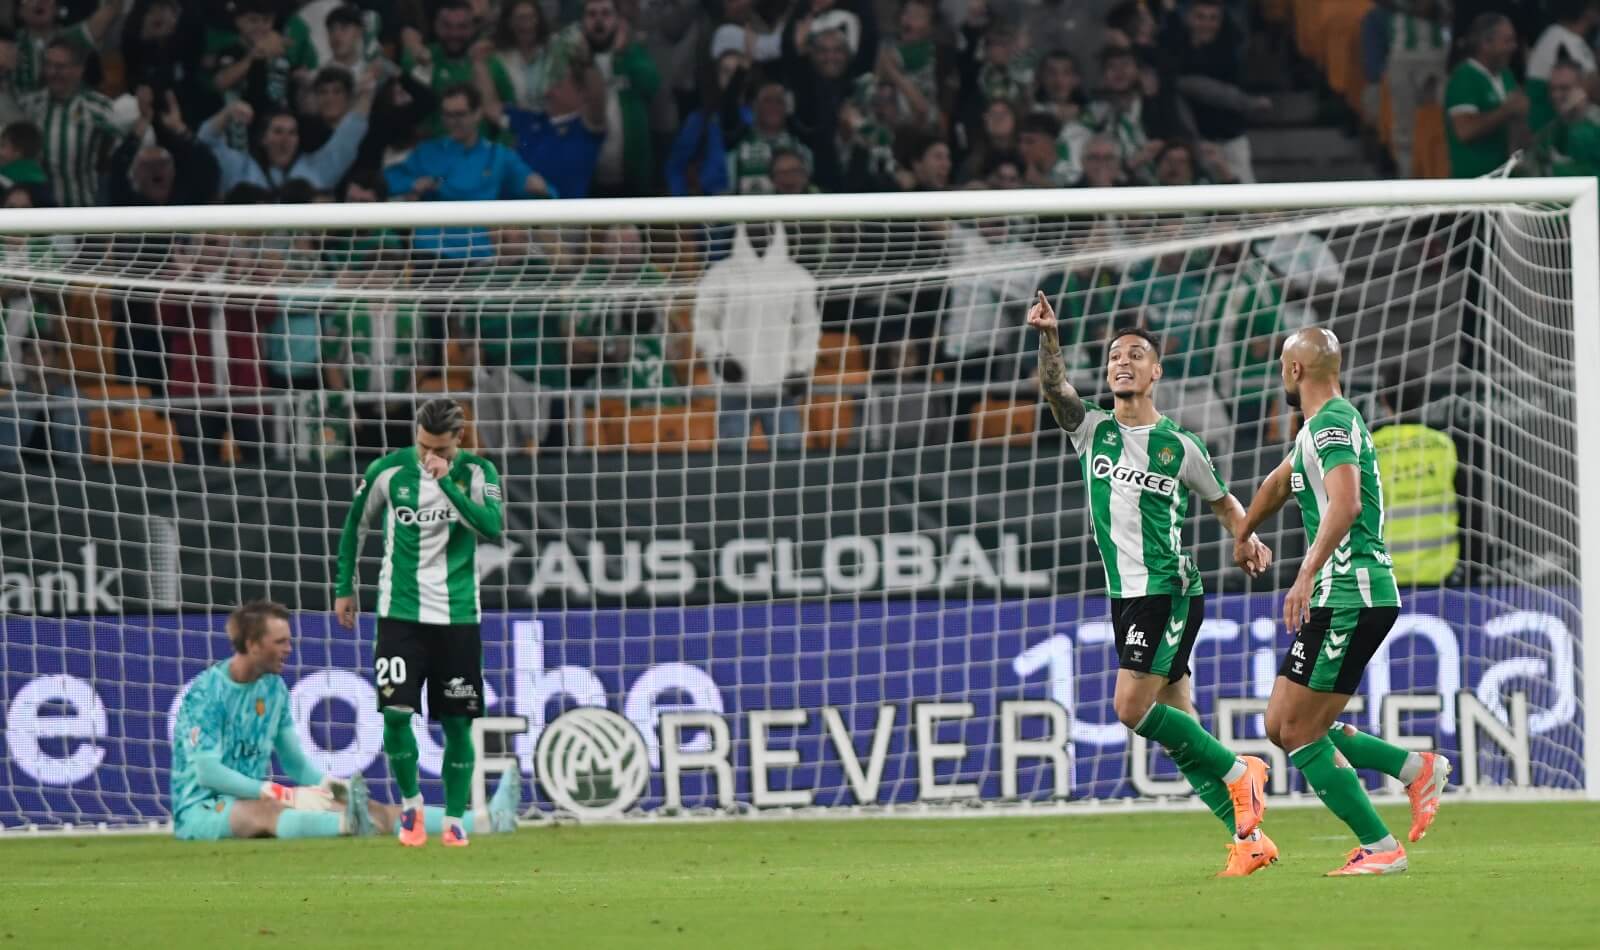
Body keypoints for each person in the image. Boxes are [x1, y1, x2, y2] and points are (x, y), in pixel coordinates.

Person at [1027, 294, 1279, 878]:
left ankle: (1241, 772)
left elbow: (1223, 502)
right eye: (1115, 355)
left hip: (1167, 588)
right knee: (1179, 730)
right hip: (1127, 595)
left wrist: (1245, 538)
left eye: (1136, 354)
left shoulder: (1180, 446)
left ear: (1155, 371)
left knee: (1129, 708)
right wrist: (1049, 338)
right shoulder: (1091, 429)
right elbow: (1055, 389)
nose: (1123, 362)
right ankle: (1249, 840)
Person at [1232, 327, 1451, 876]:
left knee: (1300, 731)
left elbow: (1346, 502)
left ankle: (1381, 847)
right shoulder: (1318, 428)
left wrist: (1305, 571)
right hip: (1343, 594)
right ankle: (1413, 768)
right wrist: (1243, 531)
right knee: (1281, 724)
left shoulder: (1331, 423)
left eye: (1282, 367)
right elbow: (1278, 483)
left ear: (1294, 370)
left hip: (1351, 590)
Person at [170, 600, 521, 842]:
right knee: (266, 813)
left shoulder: (273, 689)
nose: (289, 648)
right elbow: (207, 772)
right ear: (252, 644)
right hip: (201, 807)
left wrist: (329, 785)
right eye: (280, 642)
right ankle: (347, 825)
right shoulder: (207, 694)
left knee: (372, 808)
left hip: (254, 796)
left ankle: (485, 820)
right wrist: (279, 792)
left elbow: (294, 763)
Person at [333, 398, 505, 847]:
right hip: (400, 613)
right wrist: (344, 586)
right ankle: (411, 807)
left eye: (440, 449)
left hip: (457, 616)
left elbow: (492, 526)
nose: (429, 456)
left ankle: (454, 819)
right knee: (394, 715)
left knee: (458, 725)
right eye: (424, 445)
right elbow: (354, 526)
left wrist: (447, 483)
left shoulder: (478, 473)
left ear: (459, 440)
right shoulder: (388, 471)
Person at [18, 37, 119, 208]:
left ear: (78, 70)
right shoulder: (29, 106)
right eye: (48, 65)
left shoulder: (98, 107)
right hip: (40, 212)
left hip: (83, 208)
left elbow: (117, 151)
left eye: (60, 67)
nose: (52, 72)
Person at [1443, 13, 1527, 179]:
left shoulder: (1506, 75)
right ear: (1485, 43)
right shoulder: (1464, 77)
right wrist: (1506, 111)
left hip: (1506, 179)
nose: (1514, 47)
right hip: (1474, 182)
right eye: (1507, 41)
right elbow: (1465, 130)